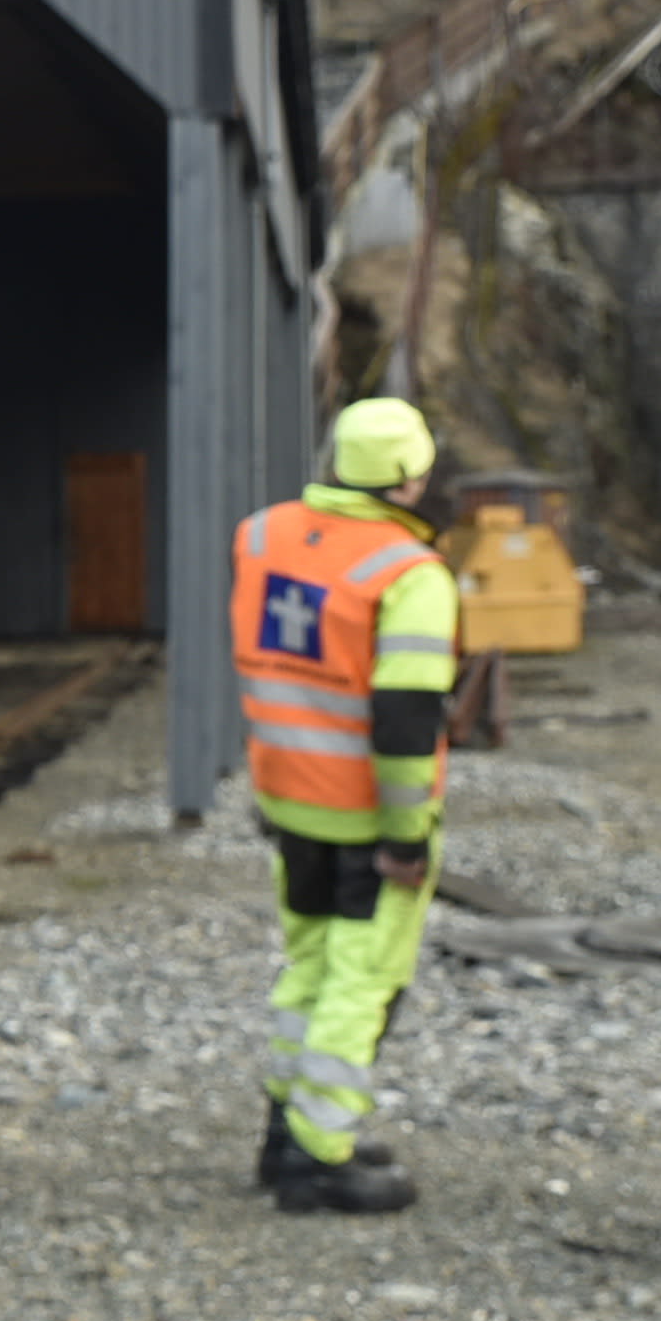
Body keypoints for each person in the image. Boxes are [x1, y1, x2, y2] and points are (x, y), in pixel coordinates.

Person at [229, 398, 460, 1215]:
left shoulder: (261, 537)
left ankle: (283, 1131)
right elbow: (406, 722)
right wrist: (407, 834)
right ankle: (318, 1157)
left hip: (289, 797)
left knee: (310, 967)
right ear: (412, 478)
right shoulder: (410, 574)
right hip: (364, 815)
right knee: (361, 981)